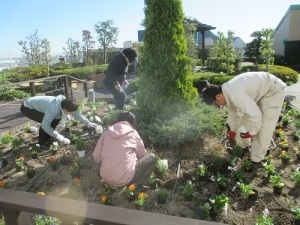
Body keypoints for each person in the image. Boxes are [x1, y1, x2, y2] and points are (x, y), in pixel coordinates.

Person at [201, 72, 286, 173]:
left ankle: (257, 160)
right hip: (258, 93)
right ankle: (243, 147)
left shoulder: (235, 93)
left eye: (215, 103)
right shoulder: (226, 93)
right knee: (243, 122)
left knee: (264, 127)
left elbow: (255, 115)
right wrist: (232, 131)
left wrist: (252, 133)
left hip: (272, 91)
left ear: (218, 96)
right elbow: (233, 115)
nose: (218, 106)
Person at [92, 111, 158, 188]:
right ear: (131, 123)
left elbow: (96, 157)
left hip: (106, 177)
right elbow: (142, 155)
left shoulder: (106, 133)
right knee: (152, 157)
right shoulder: (133, 133)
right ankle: (139, 185)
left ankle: (112, 180)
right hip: (126, 179)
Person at [20, 95, 98, 150]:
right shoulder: (54, 108)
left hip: (39, 106)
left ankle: (49, 138)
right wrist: (59, 136)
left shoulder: (68, 104)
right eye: (70, 112)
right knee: (46, 123)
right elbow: (45, 125)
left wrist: (88, 123)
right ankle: (42, 143)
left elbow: (77, 114)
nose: (71, 114)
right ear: (64, 109)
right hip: (28, 107)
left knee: (56, 119)